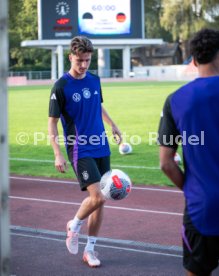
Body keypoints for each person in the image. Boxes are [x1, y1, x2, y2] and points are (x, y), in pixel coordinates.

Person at [48, 36, 122, 268]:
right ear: (70, 57)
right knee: (97, 196)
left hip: (101, 145)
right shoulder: (61, 86)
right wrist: (58, 153)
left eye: (87, 60)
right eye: (79, 60)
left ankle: (89, 250)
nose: (83, 65)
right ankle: (74, 224)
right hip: (80, 148)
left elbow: (98, 105)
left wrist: (113, 124)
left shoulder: (94, 80)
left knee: (102, 201)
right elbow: (52, 123)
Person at [158, 28, 219, 276]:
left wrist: (191, 188)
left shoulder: (176, 100)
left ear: (193, 60)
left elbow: (166, 163)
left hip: (201, 206)